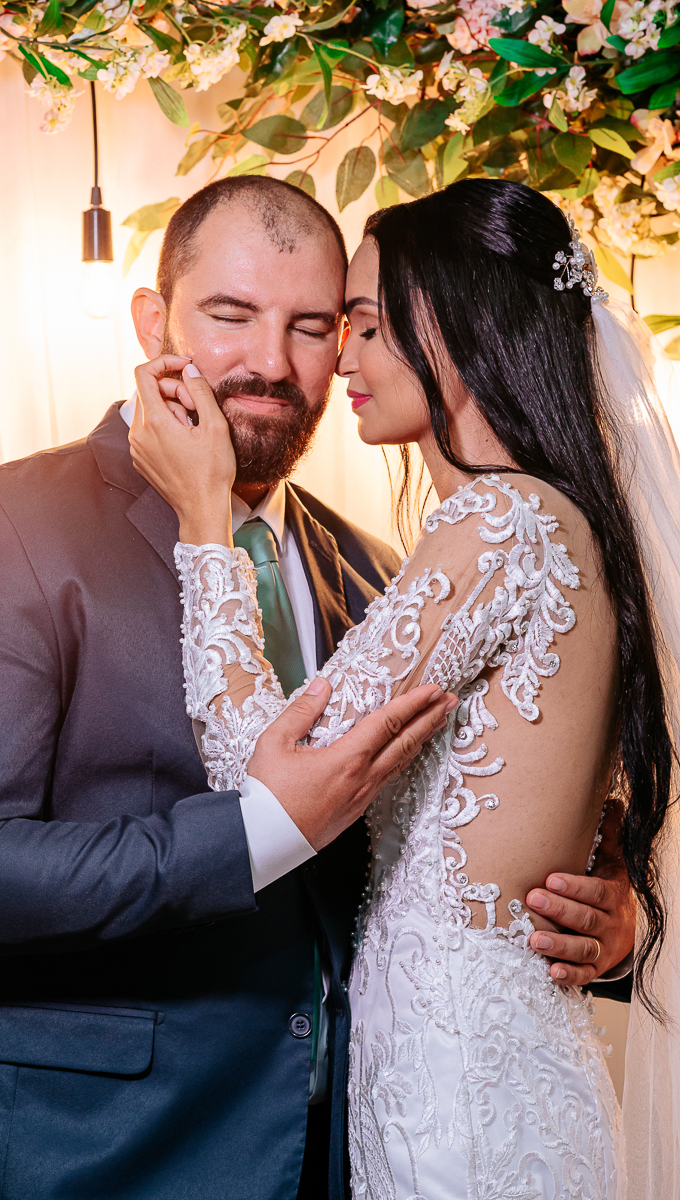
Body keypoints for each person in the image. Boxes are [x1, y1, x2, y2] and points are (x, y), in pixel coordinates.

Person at [0, 177, 633, 1200]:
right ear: (154, 323)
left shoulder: (379, 566)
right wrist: (257, 831)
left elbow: (468, 824)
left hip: (337, 1155)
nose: (273, 364)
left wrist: (601, 923)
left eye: (316, 327)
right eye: (230, 316)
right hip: (79, 1157)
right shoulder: (7, 522)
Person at [127, 178, 677, 1198]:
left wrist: (203, 517)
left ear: (458, 332)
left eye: (367, 326)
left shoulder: (503, 523)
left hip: (459, 1092)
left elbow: (262, 771)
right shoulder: (551, 524)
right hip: (476, 1071)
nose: (341, 359)